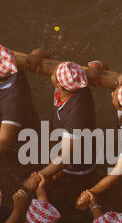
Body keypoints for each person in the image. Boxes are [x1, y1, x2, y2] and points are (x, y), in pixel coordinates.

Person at [21, 51, 101, 197]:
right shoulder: (75, 84)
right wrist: (38, 54)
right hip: (64, 151)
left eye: (54, 74)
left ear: (59, 85)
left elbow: (66, 156)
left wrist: (39, 175)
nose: (52, 72)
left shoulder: (76, 114)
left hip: (78, 167)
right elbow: (55, 63)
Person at [0, 43, 40, 181]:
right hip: (9, 123)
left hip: (21, 142)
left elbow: (5, 140)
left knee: (17, 167)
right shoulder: (10, 68)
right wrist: (37, 55)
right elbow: (39, 51)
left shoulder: (12, 101)